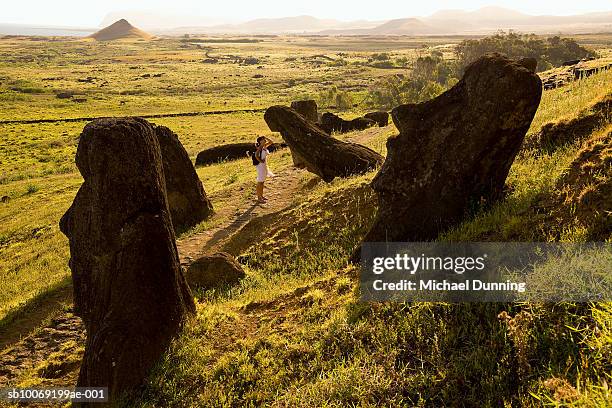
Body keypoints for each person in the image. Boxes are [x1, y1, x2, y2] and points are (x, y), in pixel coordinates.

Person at [254, 136, 275, 203]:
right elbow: (256, 155)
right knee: (260, 181)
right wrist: (260, 160)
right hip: (260, 166)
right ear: (260, 141)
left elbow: (271, 142)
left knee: (262, 181)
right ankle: (259, 198)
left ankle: (261, 196)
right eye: (263, 140)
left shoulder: (264, 146)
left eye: (264, 139)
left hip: (264, 165)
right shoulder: (260, 147)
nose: (265, 140)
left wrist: (266, 137)